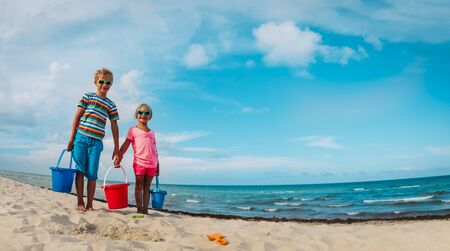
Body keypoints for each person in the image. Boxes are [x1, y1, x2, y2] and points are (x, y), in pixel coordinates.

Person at [67, 67, 121, 211]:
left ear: (111, 85)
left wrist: (117, 147)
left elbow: (114, 125)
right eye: (101, 81)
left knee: (92, 173)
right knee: (80, 170)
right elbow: (77, 117)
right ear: (95, 82)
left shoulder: (111, 104)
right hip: (81, 138)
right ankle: (80, 202)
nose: (104, 85)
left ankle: (90, 204)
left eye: (108, 83)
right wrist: (72, 138)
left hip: (96, 143)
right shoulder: (88, 97)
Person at [115, 103, 159, 214]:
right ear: (136, 115)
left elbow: (155, 149)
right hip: (140, 162)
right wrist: (119, 155)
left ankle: (145, 210)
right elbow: (126, 144)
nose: (143, 114)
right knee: (139, 186)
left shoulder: (152, 133)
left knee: (147, 187)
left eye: (146, 113)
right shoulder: (133, 130)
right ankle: (139, 209)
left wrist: (158, 164)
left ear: (150, 116)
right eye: (140, 112)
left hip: (152, 164)